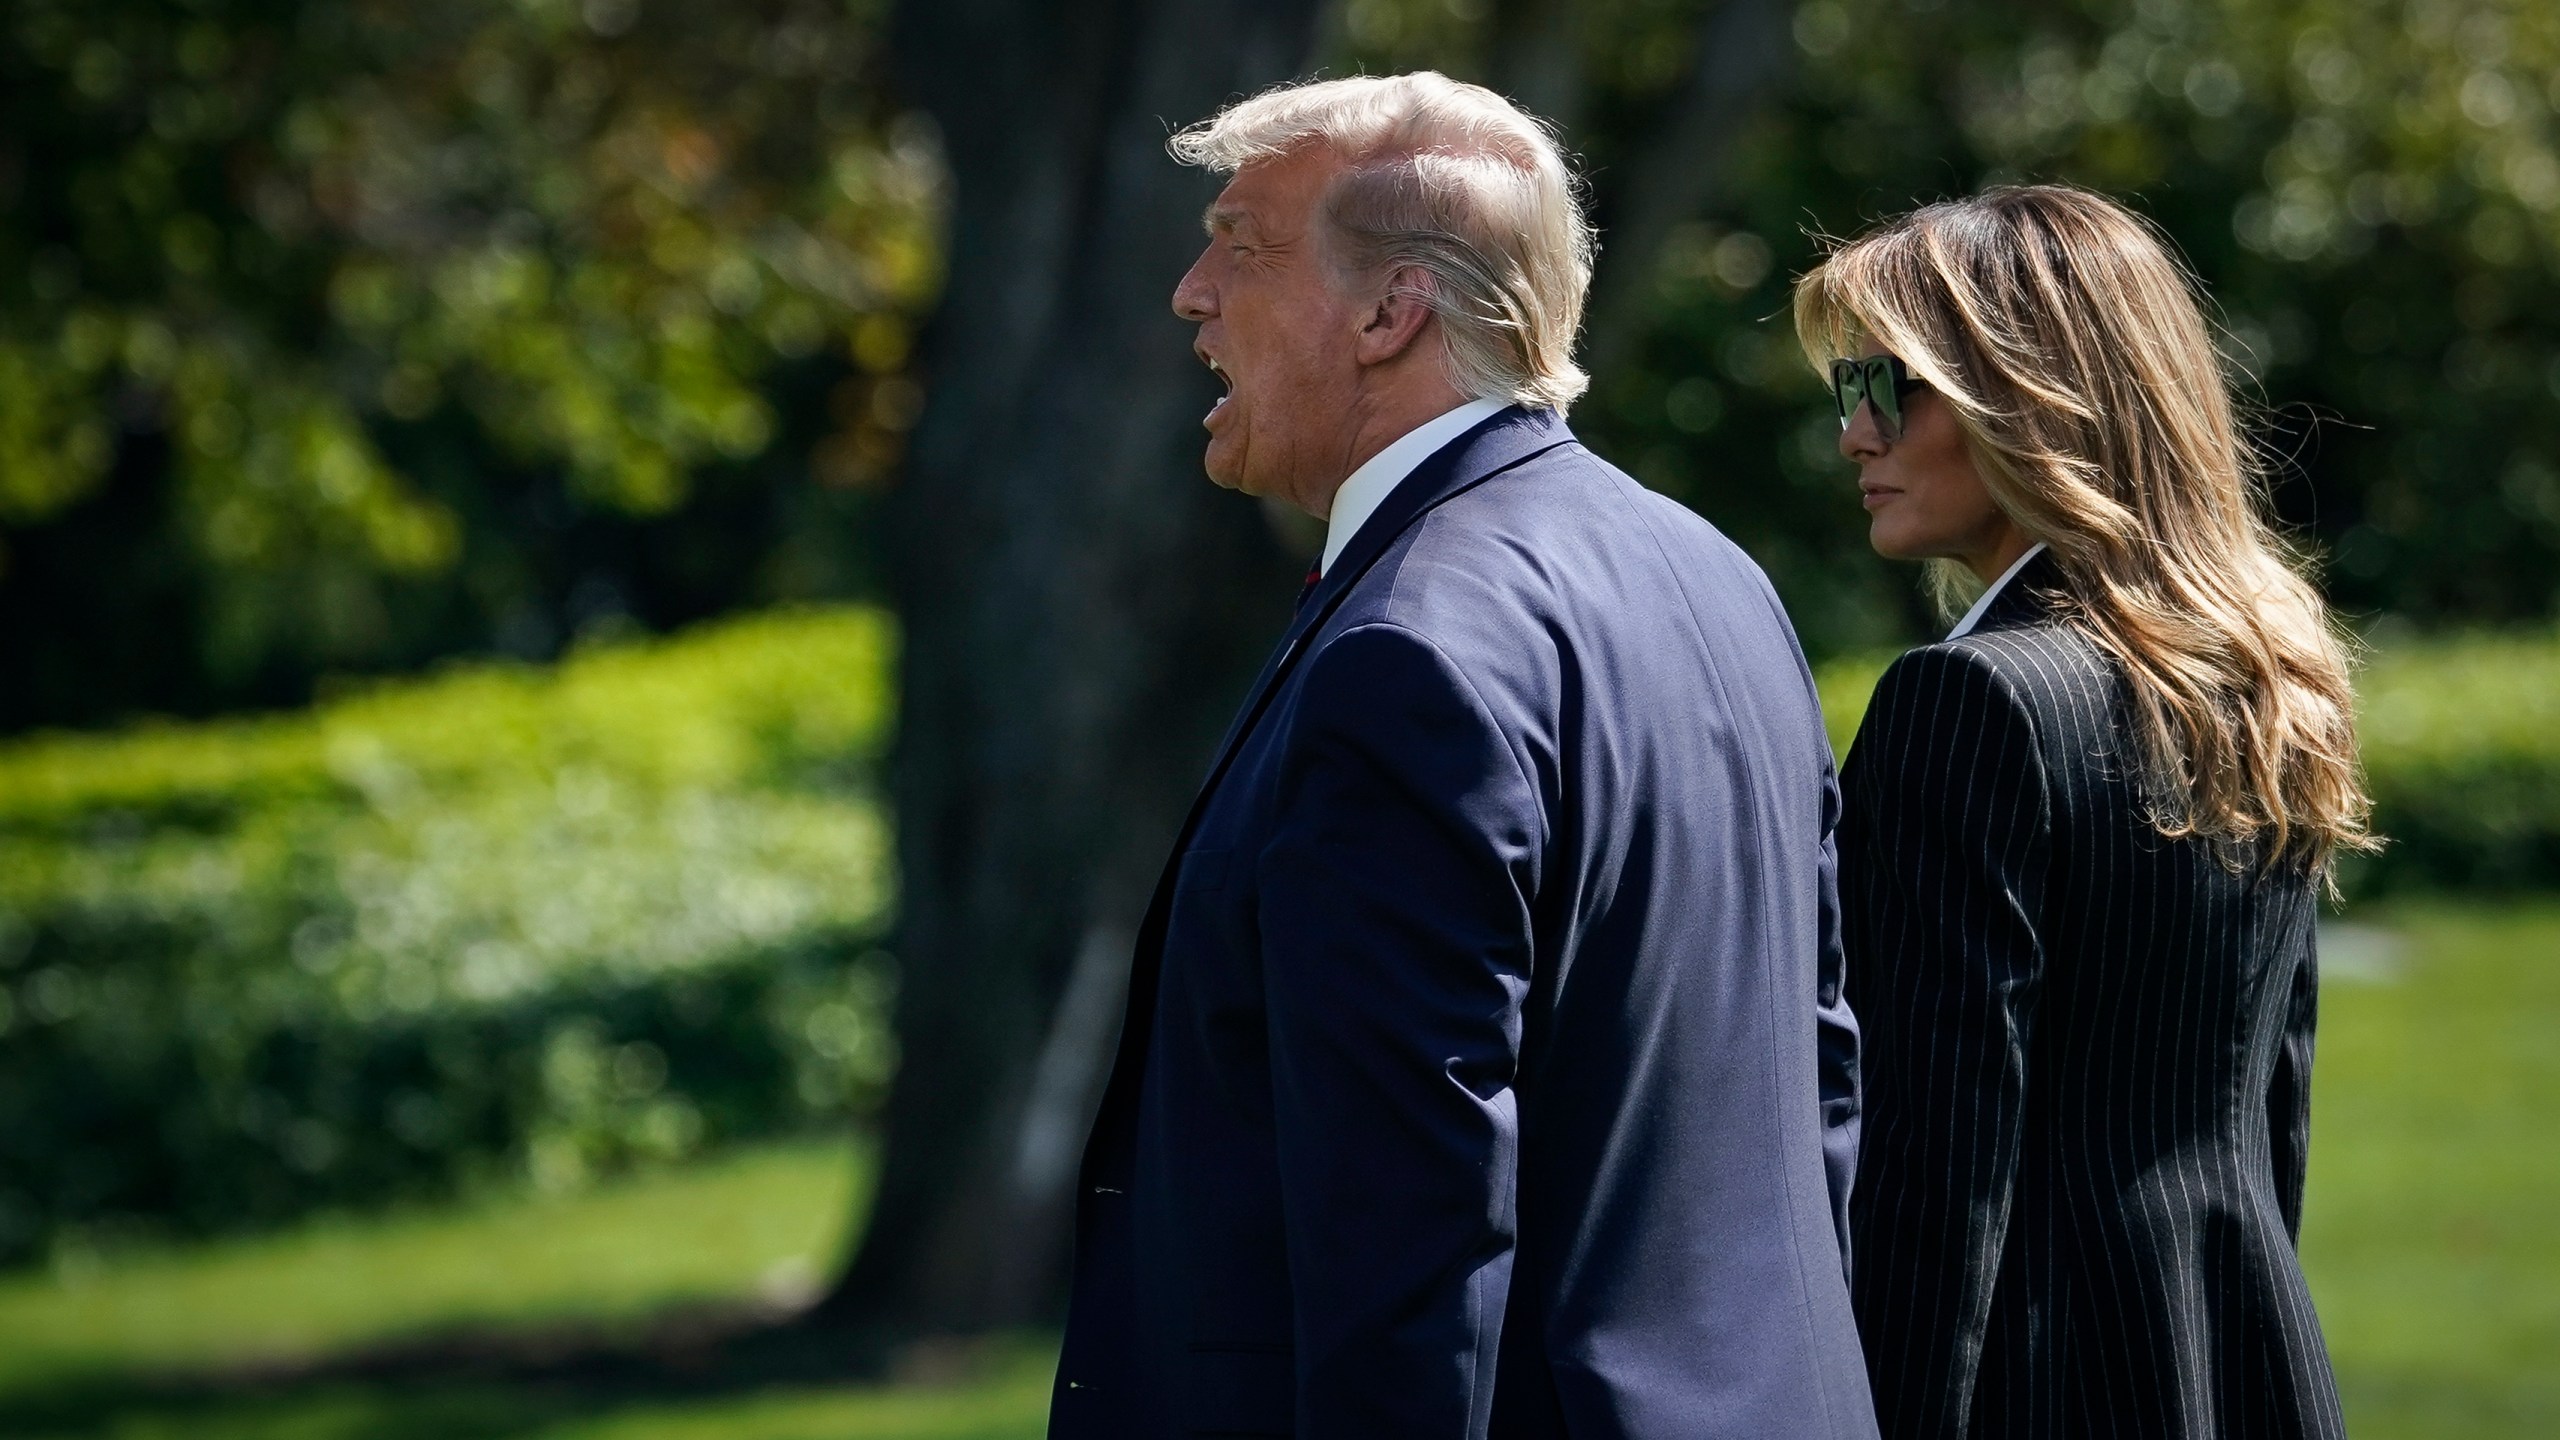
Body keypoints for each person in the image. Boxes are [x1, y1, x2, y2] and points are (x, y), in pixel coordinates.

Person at [1050, 73, 1877, 1440]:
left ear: (1391, 312)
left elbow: (1408, 1220)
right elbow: (1822, 1079)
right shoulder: (1720, 579)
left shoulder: (1409, 651)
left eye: (1242, 244)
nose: (1193, 294)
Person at [1799, 185, 2372, 1439]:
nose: (1854, 433)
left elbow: (1930, 1173)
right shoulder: (2267, 679)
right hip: (2246, 1355)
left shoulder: (1967, 699)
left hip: (2034, 1379)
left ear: (2030, 401)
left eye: (1892, 385)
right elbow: (2270, 1112)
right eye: (1848, 386)